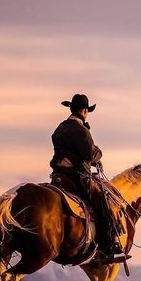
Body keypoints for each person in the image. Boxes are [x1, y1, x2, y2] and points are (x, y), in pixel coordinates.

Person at [50, 93, 124, 260]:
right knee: (103, 200)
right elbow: (90, 153)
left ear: (71, 109)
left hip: (59, 177)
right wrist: (99, 154)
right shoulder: (81, 131)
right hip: (78, 177)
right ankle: (107, 245)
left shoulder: (59, 129)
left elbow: (72, 152)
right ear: (84, 111)